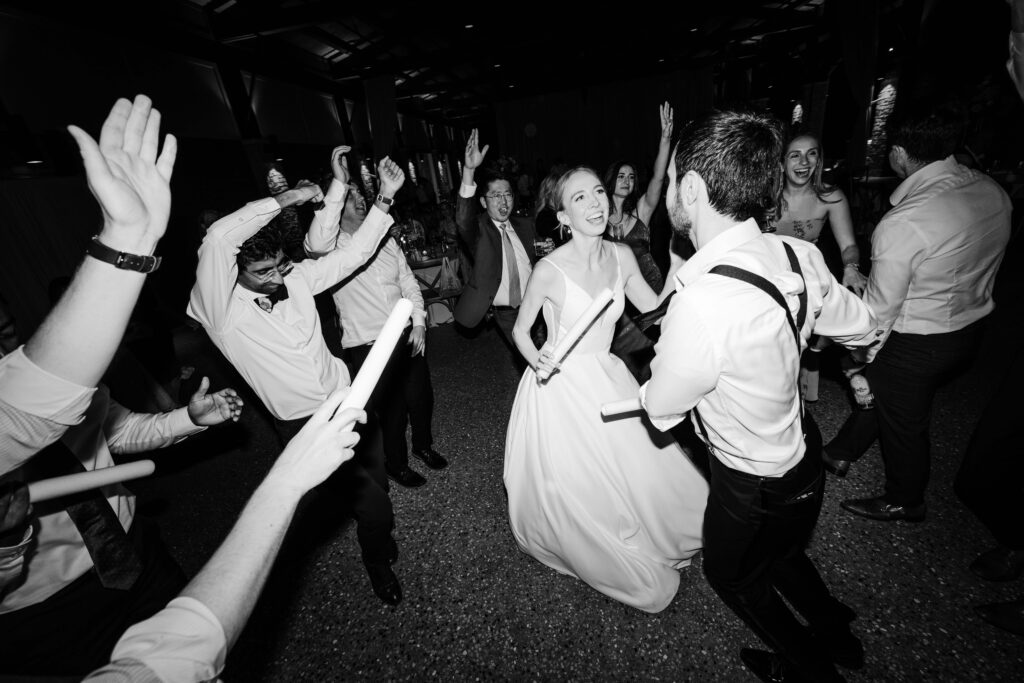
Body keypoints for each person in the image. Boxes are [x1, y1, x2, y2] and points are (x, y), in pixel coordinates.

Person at [641, 110, 879, 681]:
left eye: (674, 180)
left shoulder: (698, 303)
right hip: (804, 455)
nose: (672, 190)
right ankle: (835, 630)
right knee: (785, 554)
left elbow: (661, 409)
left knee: (733, 574)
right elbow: (863, 326)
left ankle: (811, 668)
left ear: (692, 189)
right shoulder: (797, 254)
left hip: (750, 482)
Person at [187, 148, 407, 605]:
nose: (276, 278)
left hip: (351, 399)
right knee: (370, 500)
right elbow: (217, 241)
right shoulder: (220, 312)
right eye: (262, 271)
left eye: (279, 266)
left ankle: (375, 531)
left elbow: (357, 254)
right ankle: (377, 560)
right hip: (302, 423)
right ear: (236, 272)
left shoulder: (299, 278)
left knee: (377, 482)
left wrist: (384, 199)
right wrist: (286, 198)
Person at [0, 295, 244, 675]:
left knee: (201, 660)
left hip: (138, 554)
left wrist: (189, 419)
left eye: (5, 332)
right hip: (49, 613)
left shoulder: (59, 380)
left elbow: (121, 430)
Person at [503, 165, 707, 614]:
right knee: (581, 481)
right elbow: (521, 331)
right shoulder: (549, 270)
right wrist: (536, 357)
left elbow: (653, 310)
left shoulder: (621, 256)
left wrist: (676, 266)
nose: (595, 202)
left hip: (607, 375)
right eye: (580, 198)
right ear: (562, 216)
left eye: (598, 192)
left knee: (632, 464)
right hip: (560, 384)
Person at [83, 389, 365, 682]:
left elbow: (116, 430)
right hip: (57, 607)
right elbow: (173, 658)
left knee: (191, 621)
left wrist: (185, 419)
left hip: (131, 540)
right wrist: (287, 480)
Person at [823, 101, 1011, 523]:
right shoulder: (991, 190)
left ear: (899, 155)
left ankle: (906, 500)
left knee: (903, 422)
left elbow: (877, 314)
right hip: (971, 329)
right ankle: (840, 451)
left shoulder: (904, 222)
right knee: (893, 398)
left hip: (918, 341)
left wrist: (855, 361)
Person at [0, 95, 177, 461]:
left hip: (120, 515)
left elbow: (119, 429)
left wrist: (131, 236)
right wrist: (128, 236)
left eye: (7, 329)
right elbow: (28, 417)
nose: (7, 342)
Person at [305, 146, 447, 489]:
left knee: (421, 396)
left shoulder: (384, 235)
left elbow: (408, 281)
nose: (358, 199)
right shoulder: (330, 248)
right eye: (350, 195)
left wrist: (419, 322)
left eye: (357, 192)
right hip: (368, 344)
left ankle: (423, 446)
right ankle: (396, 464)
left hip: (405, 335)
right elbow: (313, 241)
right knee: (392, 410)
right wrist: (337, 189)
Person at [768, 132, 868, 402]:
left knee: (849, 315)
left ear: (819, 160)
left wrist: (851, 266)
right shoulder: (766, 195)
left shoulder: (830, 196)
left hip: (806, 272)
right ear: (782, 163)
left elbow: (848, 245)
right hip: (769, 273)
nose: (803, 161)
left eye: (811, 153)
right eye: (794, 155)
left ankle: (814, 359)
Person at [453, 129, 537, 353]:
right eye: (496, 195)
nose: (503, 201)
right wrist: (469, 170)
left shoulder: (526, 226)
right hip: (507, 313)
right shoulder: (479, 230)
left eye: (507, 194)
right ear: (483, 201)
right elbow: (462, 218)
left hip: (537, 303)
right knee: (529, 359)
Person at [603, 102, 674, 292]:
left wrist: (665, 139)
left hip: (650, 287)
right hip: (615, 294)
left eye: (631, 177)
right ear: (610, 180)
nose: (627, 181)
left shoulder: (640, 213)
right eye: (621, 176)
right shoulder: (598, 220)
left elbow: (658, 178)